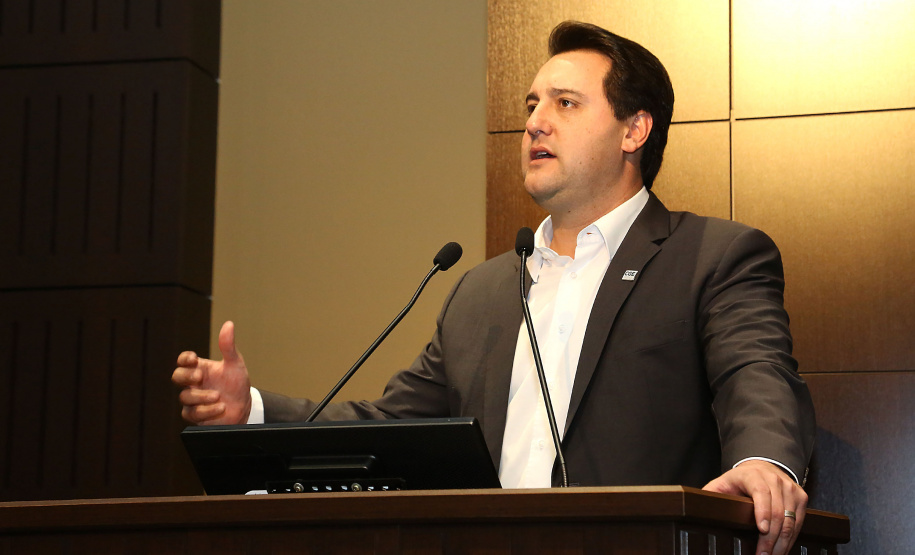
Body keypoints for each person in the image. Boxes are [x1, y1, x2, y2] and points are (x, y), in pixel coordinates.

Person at [173, 21, 815, 555]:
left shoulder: (712, 256)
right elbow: (393, 427)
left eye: (565, 103)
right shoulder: (479, 290)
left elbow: (754, 374)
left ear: (633, 131)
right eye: (531, 104)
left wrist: (766, 462)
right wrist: (252, 412)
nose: (535, 121)